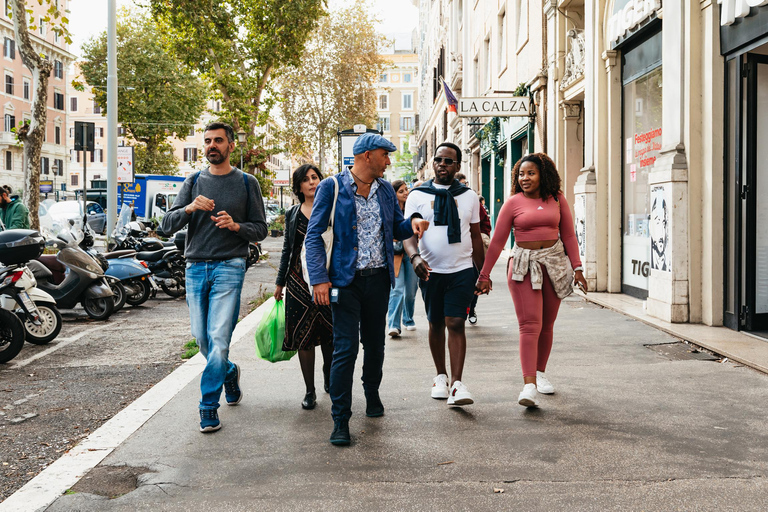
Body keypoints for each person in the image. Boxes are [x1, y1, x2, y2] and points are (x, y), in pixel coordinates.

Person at [305, 132, 429, 446]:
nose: (389, 161)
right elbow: (314, 235)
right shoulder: (331, 187)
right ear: (367, 155)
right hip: (344, 282)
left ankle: (372, 393)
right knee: (346, 349)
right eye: (385, 155)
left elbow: (395, 226)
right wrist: (319, 278)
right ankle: (340, 419)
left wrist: (412, 223)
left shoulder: (386, 190)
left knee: (375, 345)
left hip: (379, 279)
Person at [161, 122, 268, 433]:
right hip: (195, 268)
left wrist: (236, 227)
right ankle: (229, 372)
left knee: (219, 340)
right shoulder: (193, 181)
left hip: (230, 267)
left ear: (231, 146)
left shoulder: (247, 183)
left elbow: (260, 229)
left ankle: (208, 406)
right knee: (203, 340)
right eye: (207, 141)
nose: (212, 146)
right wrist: (190, 208)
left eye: (218, 141)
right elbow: (167, 225)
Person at [475, 153, 587, 408]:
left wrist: (577, 267)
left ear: (543, 175)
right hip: (523, 266)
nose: (524, 178)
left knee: (547, 325)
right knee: (529, 325)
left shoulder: (557, 199)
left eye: (530, 173)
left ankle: (541, 373)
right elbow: (497, 243)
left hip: (555, 264)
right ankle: (528, 385)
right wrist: (484, 274)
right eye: (521, 174)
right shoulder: (513, 203)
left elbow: (569, 235)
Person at [404, 143, 485, 407]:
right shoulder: (417, 195)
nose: (442, 164)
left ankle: (457, 384)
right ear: (432, 164)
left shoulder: (469, 196)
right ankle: (440, 376)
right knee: (436, 322)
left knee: (456, 323)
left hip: (461, 270)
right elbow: (408, 233)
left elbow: (475, 235)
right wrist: (415, 257)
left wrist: (482, 273)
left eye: (448, 161)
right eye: (438, 160)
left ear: (458, 166)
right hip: (430, 271)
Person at [274, 164, 334, 410]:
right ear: (298, 186)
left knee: (330, 334)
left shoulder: (332, 208)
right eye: (306, 179)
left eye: (315, 177)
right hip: (298, 282)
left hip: (328, 279)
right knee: (303, 337)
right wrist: (279, 282)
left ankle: (329, 377)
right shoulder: (293, 213)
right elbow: (288, 249)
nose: (312, 182)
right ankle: (310, 390)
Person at [455, 173, 491, 325]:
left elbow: (485, 222)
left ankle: (471, 308)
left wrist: (481, 236)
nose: (464, 186)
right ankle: (460, 310)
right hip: (454, 251)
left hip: (473, 248)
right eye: (460, 183)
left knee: (474, 278)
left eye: (465, 183)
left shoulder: (471, 198)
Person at [386, 180, 419, 337]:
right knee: (397, 289)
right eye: (401, 191)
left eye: (406, 189)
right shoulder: (390, 210)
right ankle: (393, 325)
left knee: (411, 290)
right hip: (396, 254)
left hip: (411, 254)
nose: (406, 192)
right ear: (394, 194)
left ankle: (408, 318)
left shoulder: (411, 209)